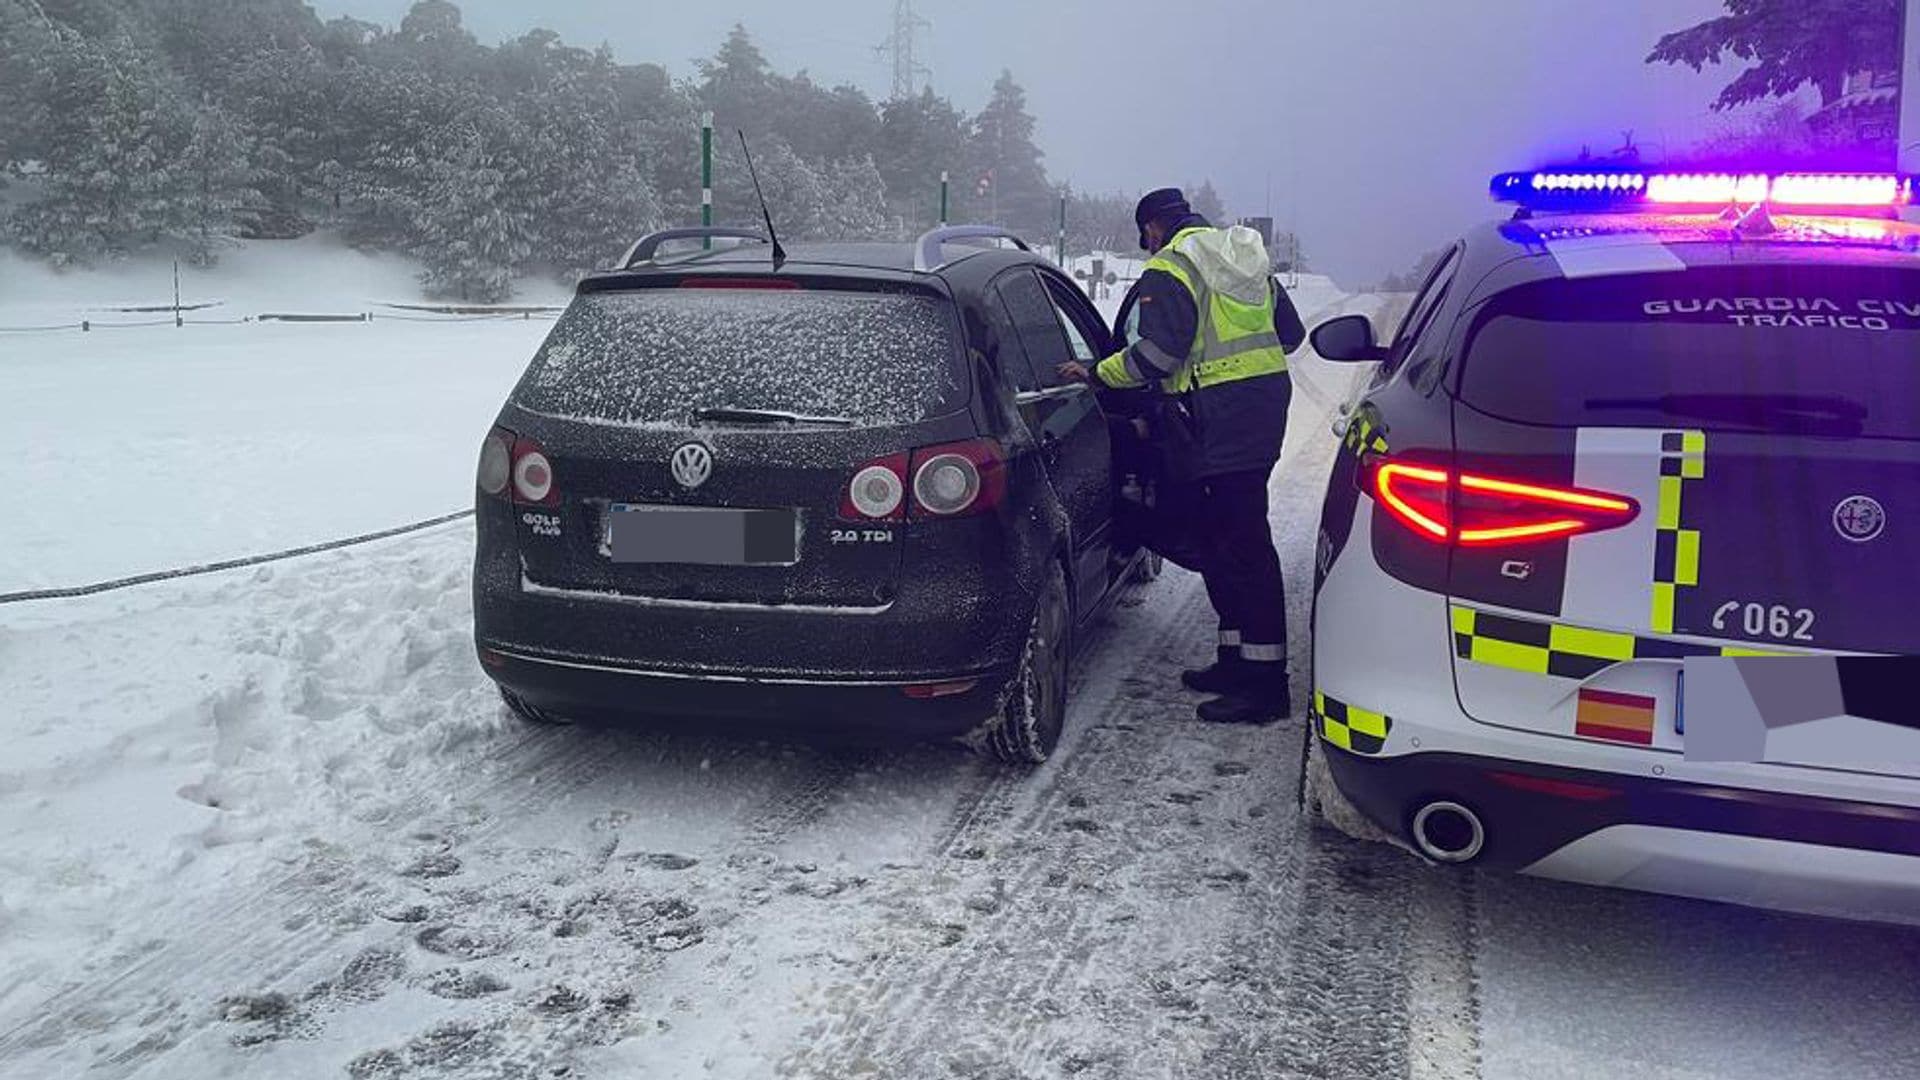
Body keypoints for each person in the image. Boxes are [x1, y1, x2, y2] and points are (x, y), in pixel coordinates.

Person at [1058, 188, 1300, 724]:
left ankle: (1265, 688)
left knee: (1243, 548)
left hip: (1214, 420)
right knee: (1223, 540)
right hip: (1257, 413)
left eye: (1145, 236)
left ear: (1152, 228)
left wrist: (1097, 373)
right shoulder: (1242, 254)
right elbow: (1290, 333)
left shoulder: (1172, 266)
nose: (1146, 244)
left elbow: (1158, 354)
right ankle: (1236, 662)